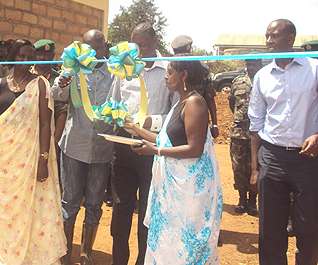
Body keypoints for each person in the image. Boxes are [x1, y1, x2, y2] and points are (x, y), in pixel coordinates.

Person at [0, 39, 66, 264]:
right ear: (11, 57)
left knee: (33, 208)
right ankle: (9, 255)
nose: (25, 60)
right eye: (20, 55)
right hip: (4, 160)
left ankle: (32, 257)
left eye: (29, 56)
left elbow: (44, 124)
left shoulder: (40, 84)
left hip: (31, 158)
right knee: (7, 210)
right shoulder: (0, 83)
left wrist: (43, 159)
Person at [125, 54, 222, 264]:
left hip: (187, 194)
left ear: (184, 75)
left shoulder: (195, 103)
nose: (165, 77)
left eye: (169, 72)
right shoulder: (180, 103)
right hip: (174, 190)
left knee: (184, 248)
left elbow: (194, 149)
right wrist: (135, 129)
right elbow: (164, 140)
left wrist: (155, 151)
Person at [248, 19, 318, 265]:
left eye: (274, 36)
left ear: (290, 38)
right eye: (267, 36)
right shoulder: (262, 76)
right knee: (270, 230)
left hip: (308, 159)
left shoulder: (314, 69)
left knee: (309, 228)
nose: (268, 41)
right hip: (273, 158)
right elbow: (255, 124)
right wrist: (256, 168)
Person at [108, 22, 178, 265]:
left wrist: (152, 122)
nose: (137, 51)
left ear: (155, 41)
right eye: (134, 46)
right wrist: (113, 115)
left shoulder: (169, 71)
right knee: (121, 205)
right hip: (123, 146)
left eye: (143, 45)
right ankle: (119, 260)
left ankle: (143, 261)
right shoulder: (124, 69)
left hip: (153, 149)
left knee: (149, 211)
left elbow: (177, 113)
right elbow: (112, 103)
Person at [51, 30, 114, 265]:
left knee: (95, 203)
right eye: (88, 49)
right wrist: (61, 82)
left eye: (97, 48)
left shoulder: (116, 73)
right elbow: (55, 94)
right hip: (75, 147)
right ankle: (66, 253)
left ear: (105, 48)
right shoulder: (73, 69)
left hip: (102, 150)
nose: (92, 53)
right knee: (70, 201)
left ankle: (86, 253)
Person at [228, 57, 262, 216]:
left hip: (259, 134)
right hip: (239, 133)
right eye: (249, 64)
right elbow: (232, 103)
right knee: (239, 168)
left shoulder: (264, 80)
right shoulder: (238, 82)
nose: (251, 66)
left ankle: (252, 202)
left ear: (260, 64)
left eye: (254, 63)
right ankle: (241, 200)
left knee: (255, 168)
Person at [171, 35, 220, 138]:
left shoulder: (201, 69)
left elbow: (209, 97)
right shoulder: (170, 70)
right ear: (189, 47)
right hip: (174, 121)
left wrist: (214, 124)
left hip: (197, 121)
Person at [32, 39, 68, 168]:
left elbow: (62, 111)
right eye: (39, 54)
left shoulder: (59, 79)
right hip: (27, 133)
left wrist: (55, 141)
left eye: (47, 55)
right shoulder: (25, 75)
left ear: (53, 56)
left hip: (49, 133)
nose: (42, 58)